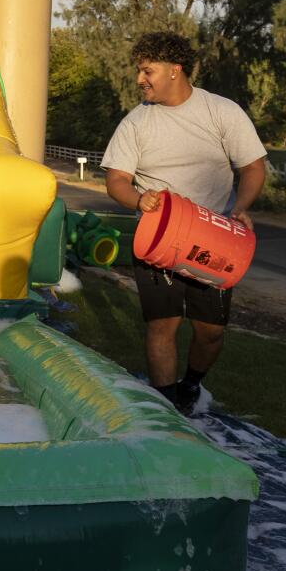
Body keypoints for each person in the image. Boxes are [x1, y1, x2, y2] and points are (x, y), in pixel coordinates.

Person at [101, 32, 267, 415]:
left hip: (213, 239)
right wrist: (138, 199)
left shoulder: (221, 111)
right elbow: (116, 181)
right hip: (157, 239)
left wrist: (241, 207)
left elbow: (253, 167)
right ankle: (166, 405)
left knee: (211, 333)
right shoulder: (136, 123)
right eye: (139, 71)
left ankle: (191, 384)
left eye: (148, 70)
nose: (140, 78)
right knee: (164, 325)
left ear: (175, 70)